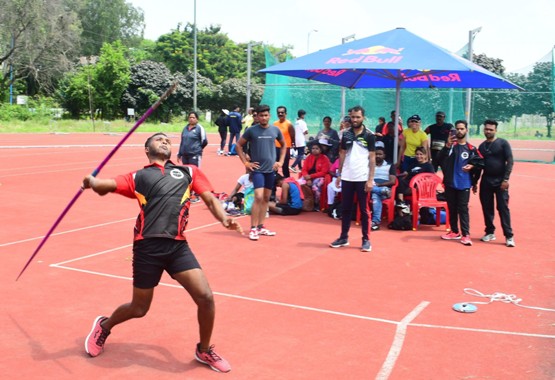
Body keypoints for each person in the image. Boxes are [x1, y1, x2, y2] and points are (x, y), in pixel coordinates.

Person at [82, 132, 243, 373]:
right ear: (147, 150)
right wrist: (92, 182)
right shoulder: (139, 176)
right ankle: (104, 326)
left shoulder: (189, 172)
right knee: (139, 308)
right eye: (158, 139)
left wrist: (224, 219)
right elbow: (107, 186)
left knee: (206, 297)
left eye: (167, 139)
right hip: (147, 247)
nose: (164, 141)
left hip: (177, 246)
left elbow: (210, 199)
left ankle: (204, 349)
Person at [329, 105, 376, 252]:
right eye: (353, 117)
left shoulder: (369, 135)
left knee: (364, 210)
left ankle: (366, 240)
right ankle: (343, 237)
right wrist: (339, 174)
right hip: (347, 177)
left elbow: (372, 158)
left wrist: (370, 179)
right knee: (346, 208)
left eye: (358, 117)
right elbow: (342, 154)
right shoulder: (346, 134)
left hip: (362, 178)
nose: (355, 120)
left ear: (363, 118)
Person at [236, 104, 286, 241]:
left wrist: (280, 162)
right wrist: (246, 163)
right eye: (261, 115)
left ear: (269, 116)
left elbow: (284, 145)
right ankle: (253, 228)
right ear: (257, 117)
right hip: (257, 170)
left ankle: (261, 226)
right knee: (258, 197)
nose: (264, 118)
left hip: (270, 171)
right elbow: (238, 145)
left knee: (265, 198)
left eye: (266, 115)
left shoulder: (275, 130)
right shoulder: (251, 131)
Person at [437, 120, 483, 246]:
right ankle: (454, 231)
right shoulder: (451, 147)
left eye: (462, 128)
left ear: (466, 130)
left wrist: (472, 167)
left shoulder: (471, 149)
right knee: (451, 208)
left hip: (464, 184)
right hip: (450, 183)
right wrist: (447, 146)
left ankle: (466, 235)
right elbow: (439, 158)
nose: (459, 131)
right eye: (457, 129)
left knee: (463, 209)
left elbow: (481, 163)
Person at [478, 119, 515, 247]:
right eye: (486, 129)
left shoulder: (503, 143)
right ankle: (489, 232)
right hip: (486, 181)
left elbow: (510, 161)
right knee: (487, 208)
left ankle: (509, 236)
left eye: (491, 129)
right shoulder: (482, 146)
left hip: (500, 182)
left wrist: (506, 179)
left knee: (503, 208)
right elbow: (478, 166)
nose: (488, 131)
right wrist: (474, 182)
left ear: (496, 130)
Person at [394, 146, 435, 214]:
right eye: (417, 154)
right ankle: (401, 211)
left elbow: (431, 178)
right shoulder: (413, 164)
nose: (419, 156)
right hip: (407, 183)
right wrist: (395, 175)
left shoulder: (428, 166)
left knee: (400, 184)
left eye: (421, 154)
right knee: (397, 182)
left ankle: (401, 204)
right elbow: (406, 173)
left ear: (425, 155)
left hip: (417, 186)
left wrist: (420, 185)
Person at [371, 144, 396, 230]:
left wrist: (379, 185)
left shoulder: (390, 165)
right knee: (375, 194)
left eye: (380, 154)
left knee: (375, 195)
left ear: (384, 155)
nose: (378, 156)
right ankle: (375, 222)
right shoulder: (370, 165)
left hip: (384, 187)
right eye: (376, 154)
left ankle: (376, 222)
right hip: (375, 188)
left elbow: (393, 181)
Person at [299, 142, 331, 208]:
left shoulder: (325, 159)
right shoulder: (308, 158)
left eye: (317, 148)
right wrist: (307, 178)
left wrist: (311, 176)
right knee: (298, 183)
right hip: (307, 176)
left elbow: (323, 172)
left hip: (319, 177)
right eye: (313, 148)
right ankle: (302, 201)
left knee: (315, 186)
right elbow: (304, 169)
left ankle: (316, 203)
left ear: (320, 150)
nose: (314, 150)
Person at [273, 106, 295, 178]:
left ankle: (288, 183)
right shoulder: (275, 124)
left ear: (286, 114)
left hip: (285, 148)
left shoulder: (289, 124)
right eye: (278, 113)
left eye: (282, 112)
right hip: (275, 148)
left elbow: (292, 136)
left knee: (285, 167)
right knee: (274, 166)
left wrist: (292, 144)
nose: (280, 114)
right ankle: (273, 184)